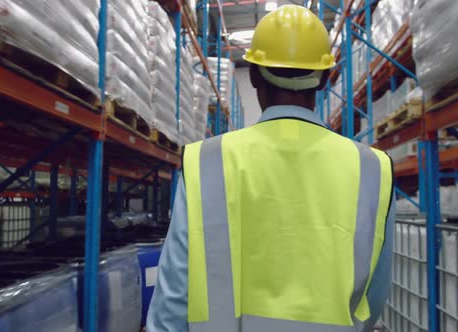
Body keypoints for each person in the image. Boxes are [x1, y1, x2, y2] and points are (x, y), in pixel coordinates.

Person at [147, 5, 395, 332]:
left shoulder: (206, 161)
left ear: (252, 74)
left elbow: (174, 297)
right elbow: (374, 296)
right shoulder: (373, 169)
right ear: (323, 79)